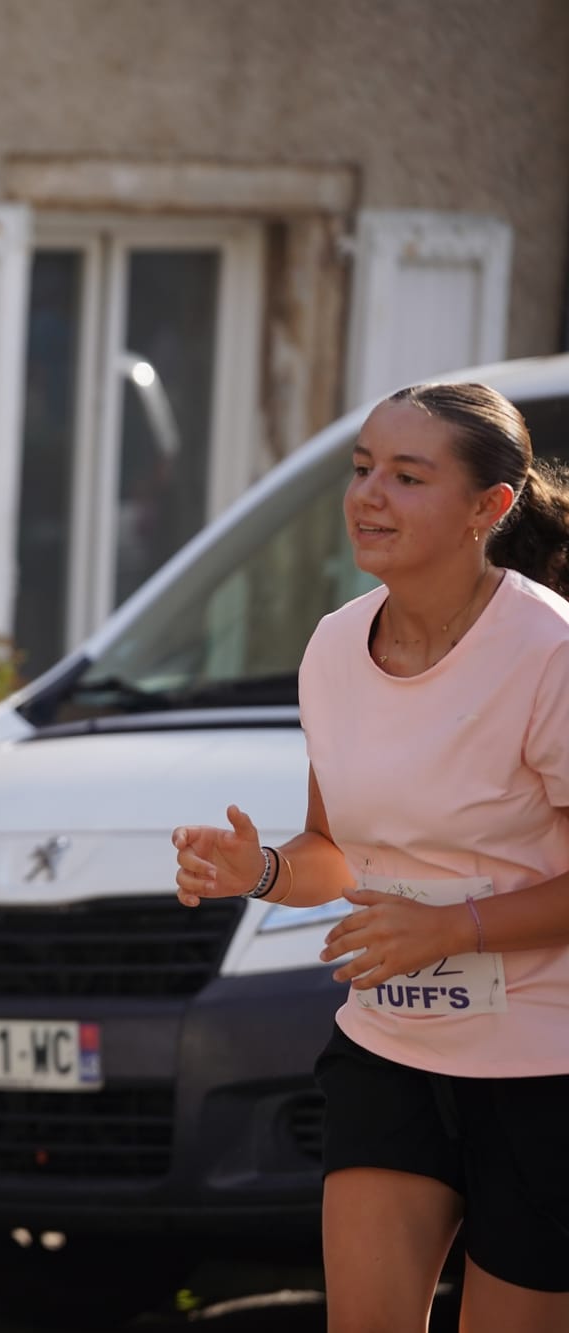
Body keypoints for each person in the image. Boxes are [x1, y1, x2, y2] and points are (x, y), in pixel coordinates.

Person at [172, 381, 569, 1330]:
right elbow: (335, 852)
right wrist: (262, 869)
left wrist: (455, 927)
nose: (368, 495)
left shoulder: (548, 650)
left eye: (406, 475)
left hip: (540, 1073)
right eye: (360, 470)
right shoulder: (333, 647)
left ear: (490, 508)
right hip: (389, 1047)